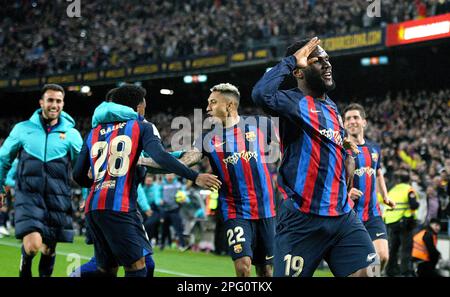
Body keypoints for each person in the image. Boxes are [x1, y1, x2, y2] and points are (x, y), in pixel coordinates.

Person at [251, 37, 378, 277]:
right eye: (318, 61)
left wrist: (347, 158)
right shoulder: (292, 101)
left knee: (369, 272)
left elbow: (338, 150)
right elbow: (260, 94)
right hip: (302, 220)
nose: (327, 64)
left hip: (342, 217)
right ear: (299, 72)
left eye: (327, 59)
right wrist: (290, 61)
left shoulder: (331, 106)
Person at [73, 84, 221, 277]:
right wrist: (195, 176)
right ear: (138, 107)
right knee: (137, 268)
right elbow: (159, 157)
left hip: (94, 207)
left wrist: (101, 182)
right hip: (120, 206)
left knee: (108, 268)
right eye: (144, 104)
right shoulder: (141, 127)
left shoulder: (94, 131)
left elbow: (78, 174)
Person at [149, 83, 278, 277]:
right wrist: (141, 160)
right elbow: (184, 162)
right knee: (243, 267)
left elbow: (290, 146)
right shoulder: (207, 138)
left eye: (213, 102)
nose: (208, 108)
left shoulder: (261, 125)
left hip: (266, 210)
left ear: (229, 105)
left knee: (265, 270)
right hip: (235, 210)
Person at [0, 84, 83, 277]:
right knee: (33, 245)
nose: (54, 105)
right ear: (41, 102)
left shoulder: (72, 135)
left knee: (49, 249)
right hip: (28, 195)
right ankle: (25, 268)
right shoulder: (22, 130)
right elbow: (3, 159)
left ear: (63, 103)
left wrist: (90, 193)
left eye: (58, 101)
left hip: (58, 197)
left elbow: (83, 170)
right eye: (50, 100)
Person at [343, 103, 396, 272]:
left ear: (364, 122)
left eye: (356, 117)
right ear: (344, 124)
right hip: (350, 215)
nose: (352, 121)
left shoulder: (374, 149)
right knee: (360, 265)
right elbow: (332, 179)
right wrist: (346, 193)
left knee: (383, 256)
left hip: (373, 213)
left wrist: (385, 197)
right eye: (348, 119)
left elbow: (378, 172)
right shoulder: (340, 150)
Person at [384, 170, 420, 277]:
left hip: (390, 222)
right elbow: (413, 205)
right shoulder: (409, 189)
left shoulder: (392, 190)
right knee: (406, 248)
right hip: (404, 223)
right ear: (409, 180)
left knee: (393, 248)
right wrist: (416, 205)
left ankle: (390, 270)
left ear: (398, 180)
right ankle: (405, 272)